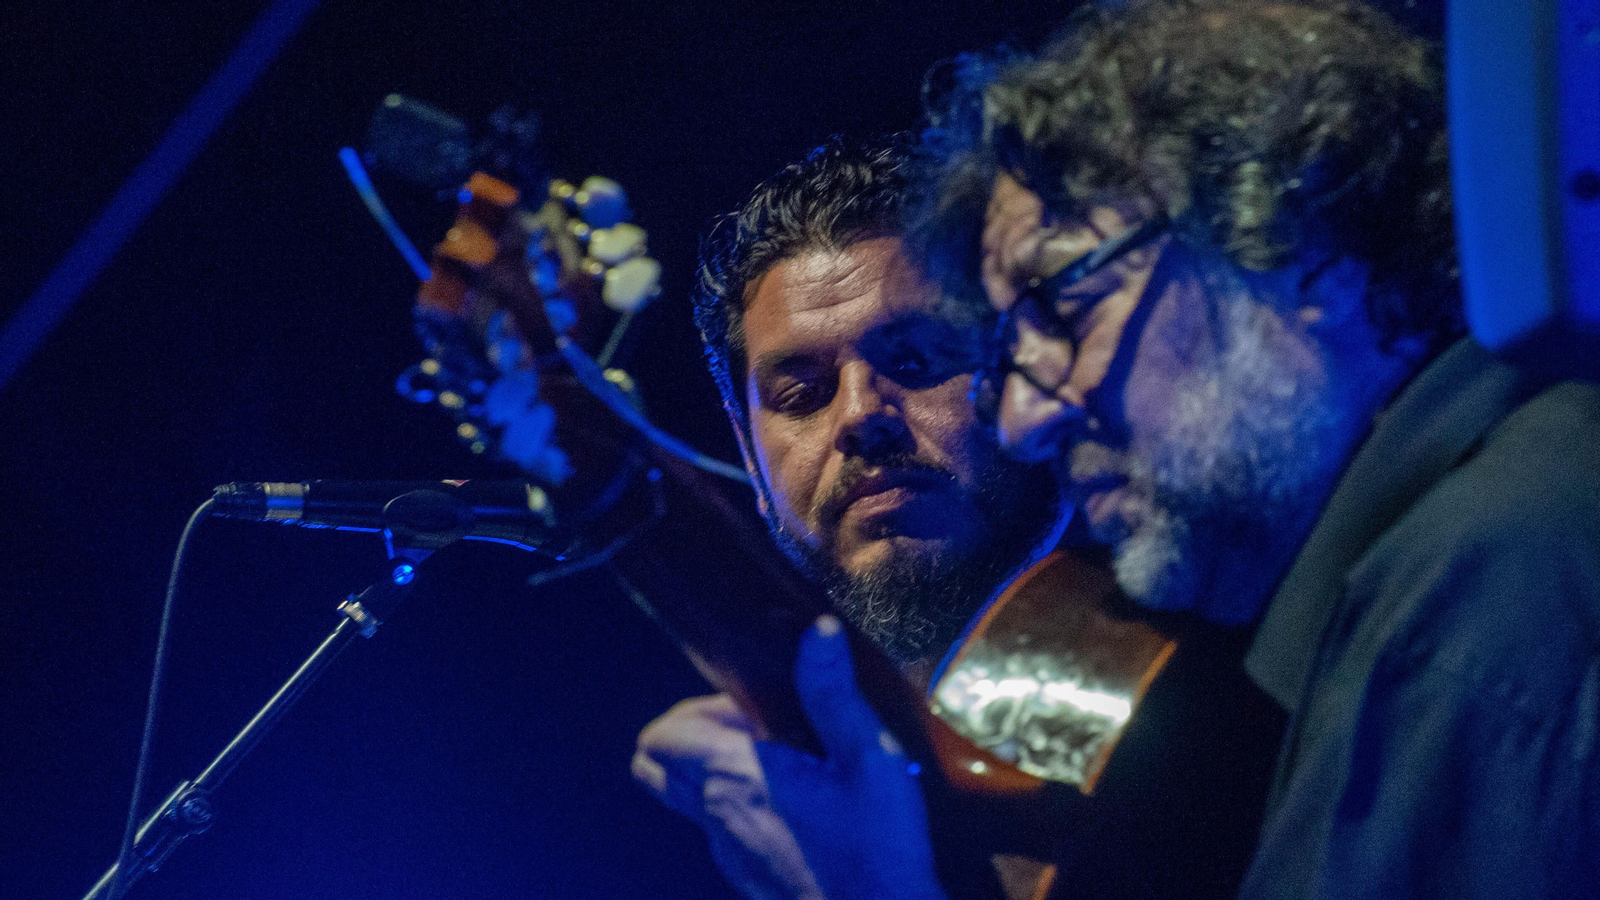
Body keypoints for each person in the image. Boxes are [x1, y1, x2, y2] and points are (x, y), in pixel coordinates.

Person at [748, 2, 1600, 899]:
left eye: (1064, 303)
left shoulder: (1483, 586)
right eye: (1008, 352)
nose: (1025, 424)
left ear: (1298, 239)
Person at [630, 138, 1066, 900]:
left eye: (921, 359)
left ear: (1031, 371)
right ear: (748, 453)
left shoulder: (1221, 700)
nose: (863, 416)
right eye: (802, 394)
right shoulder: (743, 814)